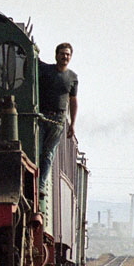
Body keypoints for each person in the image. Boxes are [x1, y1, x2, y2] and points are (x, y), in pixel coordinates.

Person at [37, 42, 78, 207]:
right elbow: (35, 60)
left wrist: (72, 124)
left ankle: (40, 184)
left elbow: (73, 101)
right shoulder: (46, 70)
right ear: (56, 55)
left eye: (67, 54)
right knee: (37, 150)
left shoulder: (73, 78)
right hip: (41, 116)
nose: (65, 56)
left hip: (58, 120)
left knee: (48, 154)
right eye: (62, 53)